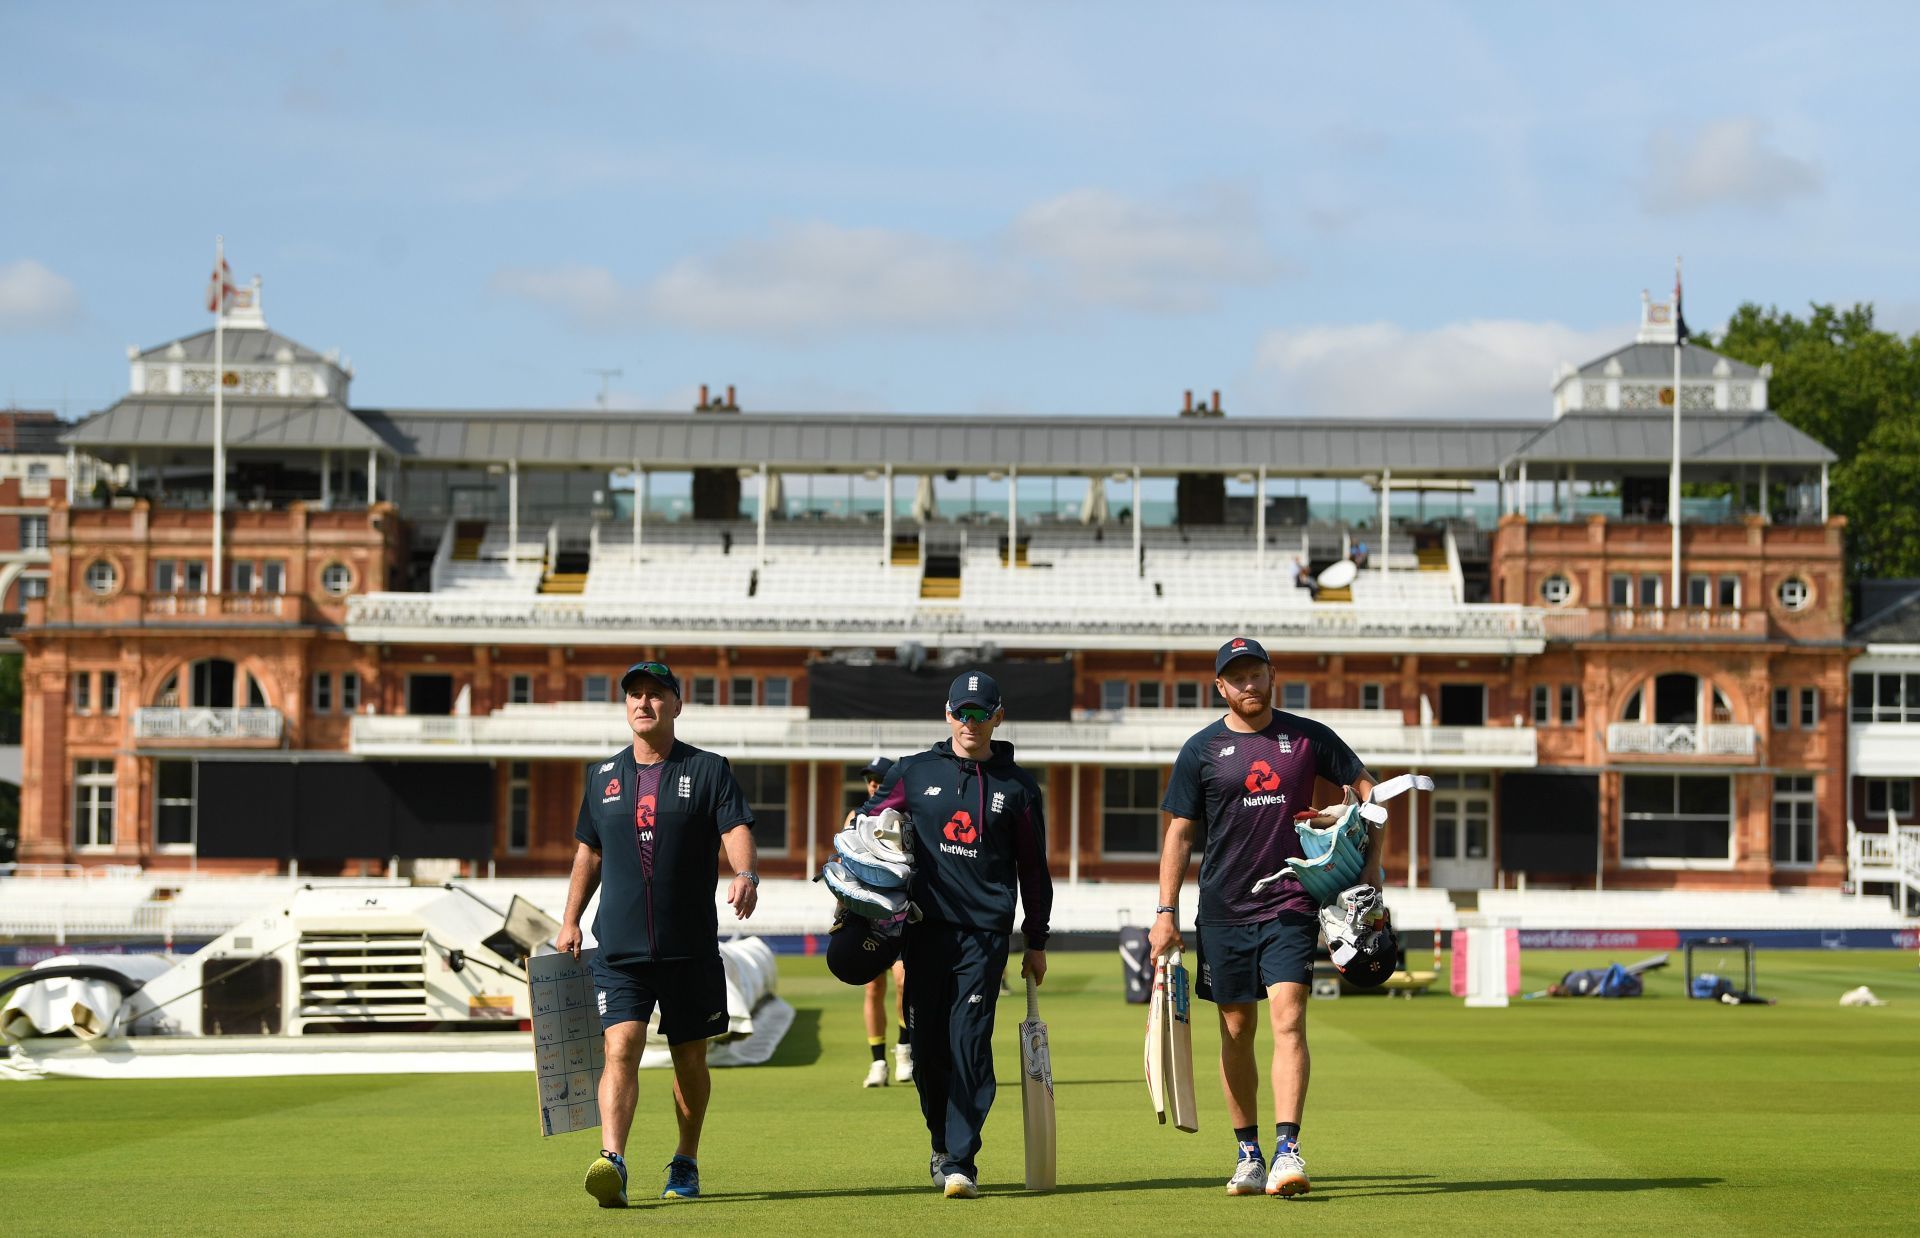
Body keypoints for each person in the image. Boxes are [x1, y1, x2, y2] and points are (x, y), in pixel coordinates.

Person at [1149, 637, 1374, 1199]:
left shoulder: (1306, 737)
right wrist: (1165, 912)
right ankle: (1247, 1152)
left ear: (1273, 676)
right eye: (1237, 677)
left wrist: (1350, 819)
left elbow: (1369, 790)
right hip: (1223, 908)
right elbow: (1179, 833)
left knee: (1289, 1017)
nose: (1248, 684)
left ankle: (1287, 1149)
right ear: (1220, 687)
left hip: (1291, 901)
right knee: (1235, 1029)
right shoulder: (1200, 749)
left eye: (1257, 674)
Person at [558, 659, 761, 1209]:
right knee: (620, 1045)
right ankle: (614, 1162)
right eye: (634, 696)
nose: (643, 703)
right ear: (625, 707)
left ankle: (686, 1157)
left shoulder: (711, 769)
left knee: (688, 1058)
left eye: (655, 694)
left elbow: (734, 826)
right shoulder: (601, 778)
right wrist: (571, 918)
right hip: (619, 947)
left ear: (676, 704)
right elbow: (589, 852)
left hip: (688, 945)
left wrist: (744, 874)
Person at [856, 670, 1052, 1198]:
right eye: (961, 712)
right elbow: (868, 828)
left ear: (998, 717)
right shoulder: (914, 772)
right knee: (927, 1047)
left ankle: (962, 1159)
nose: (970, 722)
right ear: (947, 715)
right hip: (922, 932)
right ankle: (940, 1143)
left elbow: (1034, 870)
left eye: (980, 713)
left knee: (968, 1041)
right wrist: (855, 889)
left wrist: (1036, 940)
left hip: (983, 937)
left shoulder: (1019, 787)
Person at [845, 755, 912, 1087]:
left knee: (903, 982)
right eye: (869, 779)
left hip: (899, 914)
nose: (873, 784)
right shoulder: (855, 816)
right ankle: (877, 1063)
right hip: (866, 915)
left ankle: (904, 1048)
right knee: (873, 986)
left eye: (878, 779)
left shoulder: (905, 818)